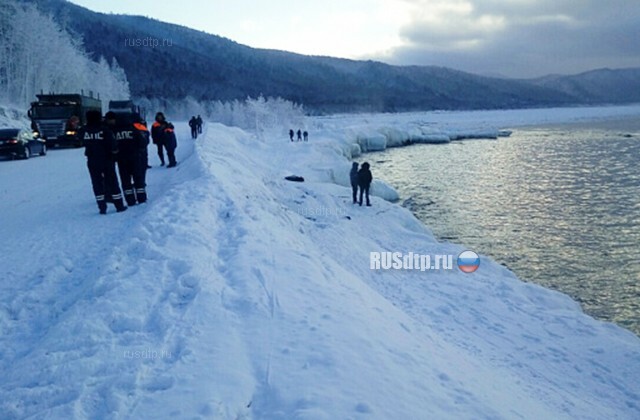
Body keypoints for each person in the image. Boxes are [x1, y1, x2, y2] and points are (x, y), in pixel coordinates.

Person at [78, 110, 127, 214]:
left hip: (92, 160)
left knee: (96, 183)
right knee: (112, 182)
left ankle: (102, 207)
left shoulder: (83, 130)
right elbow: (113, 146)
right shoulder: (105, 130)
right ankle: (119, 205)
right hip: (107, 160)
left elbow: (80, 139)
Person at [105, 111, 148, 206]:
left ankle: (130, 200)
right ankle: (141, 198)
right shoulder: (133, 129)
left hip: (121, 159)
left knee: (125, 180)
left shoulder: (114, 132)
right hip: (135, 157)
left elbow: (111, 146)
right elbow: (143, 143)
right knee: (138, 178)